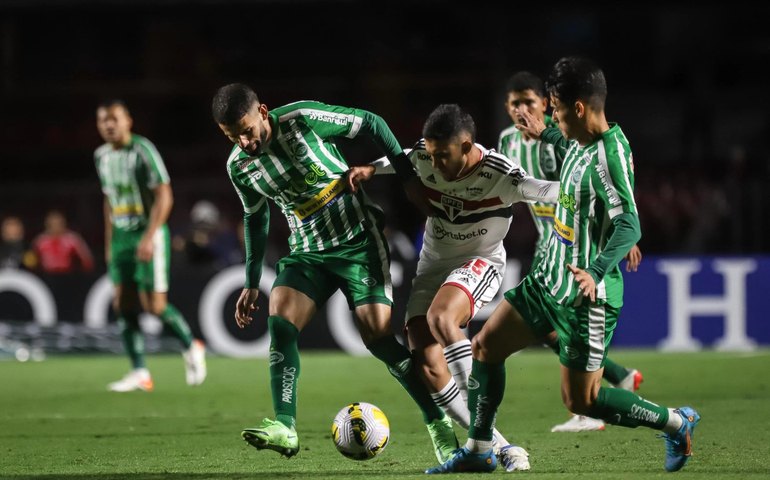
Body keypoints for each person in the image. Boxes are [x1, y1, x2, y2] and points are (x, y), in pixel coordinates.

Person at [427, 57, 700, 474]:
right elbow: (566, 144)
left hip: (584, 297)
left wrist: (597, 267)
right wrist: (546, 134)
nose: (548, 115)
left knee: (582, 401)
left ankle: (676, 423)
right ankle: (481, 449)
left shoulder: (609, 154)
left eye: (553, 108)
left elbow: (630, 221)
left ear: (578, 108)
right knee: (485, 346)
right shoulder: (578, 140)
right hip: (548, 279)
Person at [211, 83, 458, 462]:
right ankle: (285, 426)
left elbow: (372, 123)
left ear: (263, 111)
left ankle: (437, 423)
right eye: (232, 137)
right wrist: (250, 281)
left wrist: (409, 179)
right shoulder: (239, 167)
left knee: (377, 338)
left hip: (358, 240)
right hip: (308, 251)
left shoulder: (303, 119)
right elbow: (255, 217)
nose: (244, 142)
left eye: (246, 131)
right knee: (281, 319)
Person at [348, 103, 564, 472]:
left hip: (479, 261)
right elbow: (403, 157)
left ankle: (478, 444)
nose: (435, 164)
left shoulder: (501, 174)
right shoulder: (426, 154)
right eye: (431, 155)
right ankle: (501, 446)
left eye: (442, 156)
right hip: (432, 264)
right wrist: (372, 167)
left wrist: (589, 186)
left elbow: (546, 191)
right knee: (429, 368)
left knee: (443, 319)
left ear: (466, 147)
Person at [499, 71, 643, 433]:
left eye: (530, 102)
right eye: (514, 103)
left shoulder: (578, 138)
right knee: (537, 331)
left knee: (561, 335)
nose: (522, 110)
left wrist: (616, 243)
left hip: (576, 254)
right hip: (549, 249)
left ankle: (594, 402)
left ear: (547, 105)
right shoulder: (509, 142)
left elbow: (605, 187)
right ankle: (616, 377)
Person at [95, 99, 206, 392]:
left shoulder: (143, 151)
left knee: (154, 306)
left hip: (149, 234)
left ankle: (191, 344)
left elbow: (165, 196)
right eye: (103, 120)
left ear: (128, 121)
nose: (109, 125)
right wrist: (109, 243)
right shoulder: (101, 156)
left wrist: (149, 236)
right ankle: (140, 371)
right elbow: (108, 201)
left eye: (114, 119)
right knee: (122, 303)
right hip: (120, 236)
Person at [31, 210, 95, 274]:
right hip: (46, 275)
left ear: (64, 223)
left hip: (68, 275)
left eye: (59, 223)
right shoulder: (40, 241)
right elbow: (32, 261)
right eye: (52, 224)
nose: (55, 226)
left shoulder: (73, 239)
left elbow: (87, 259)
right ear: (47, 224)